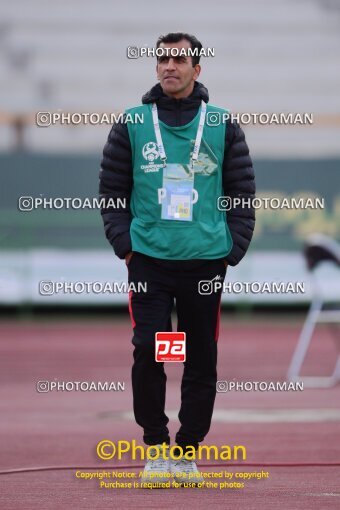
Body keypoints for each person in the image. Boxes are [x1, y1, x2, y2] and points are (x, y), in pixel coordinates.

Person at [99, 32, 255, 486]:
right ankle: (155, 445)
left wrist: (234, 244)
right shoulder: (132, 121)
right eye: (163, 59)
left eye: (179, 59)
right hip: (148, 259)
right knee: (151, 347)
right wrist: (124, 242)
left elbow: (241, 190)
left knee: (198, 355)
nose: (170, 66)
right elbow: (111, 190)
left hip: (205, 262)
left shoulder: (223, 124)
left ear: (197, 69)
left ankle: (187, 450)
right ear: (155, 68)